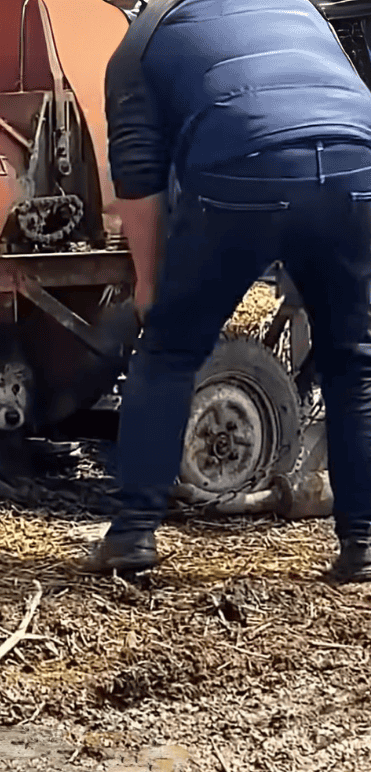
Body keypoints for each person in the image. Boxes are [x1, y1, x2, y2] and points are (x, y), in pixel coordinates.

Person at [85, 0, 371, 582]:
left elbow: (138, 177)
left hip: (245, 166)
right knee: (353, 361)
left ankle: (133, 535)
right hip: (356, 161)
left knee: (168, 351)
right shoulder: (301, 9)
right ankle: (362, 543)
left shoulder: (141, 40)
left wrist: (148, 286)